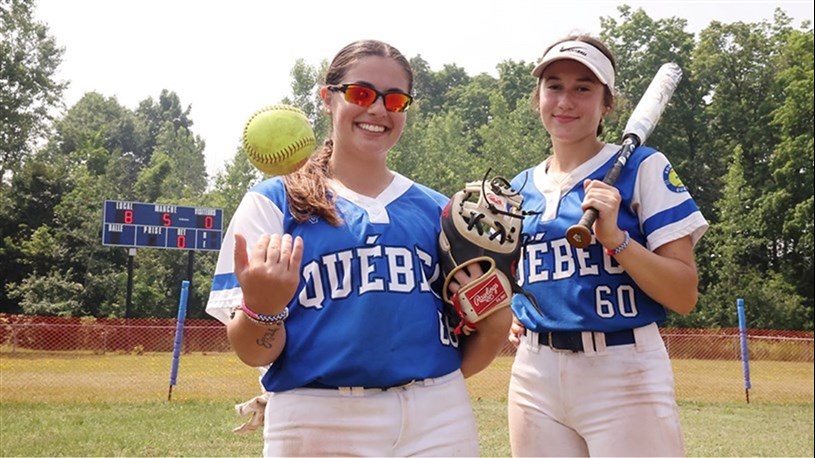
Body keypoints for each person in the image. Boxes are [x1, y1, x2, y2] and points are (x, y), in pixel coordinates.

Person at [206, 39, 509, 457]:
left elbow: (475, 340)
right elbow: (252, 349)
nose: (378, 110)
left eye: (396, 99)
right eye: (362, 93)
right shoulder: (273, 202)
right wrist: (263, 305)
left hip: (437, 415)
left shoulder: (440, 210)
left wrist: (495, 320)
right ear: (327, 98)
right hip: (316, 414)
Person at [506, 34, 709, 457]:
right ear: (538, 96)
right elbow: (517, 277)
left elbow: (683, 293)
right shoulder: (518, 188)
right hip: (534, 374)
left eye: (583, 88)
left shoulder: (644, 167)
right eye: (554, 85)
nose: (565, 100)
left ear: (607, 103)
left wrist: (616, 240)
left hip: (624, 371)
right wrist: (515, 309)